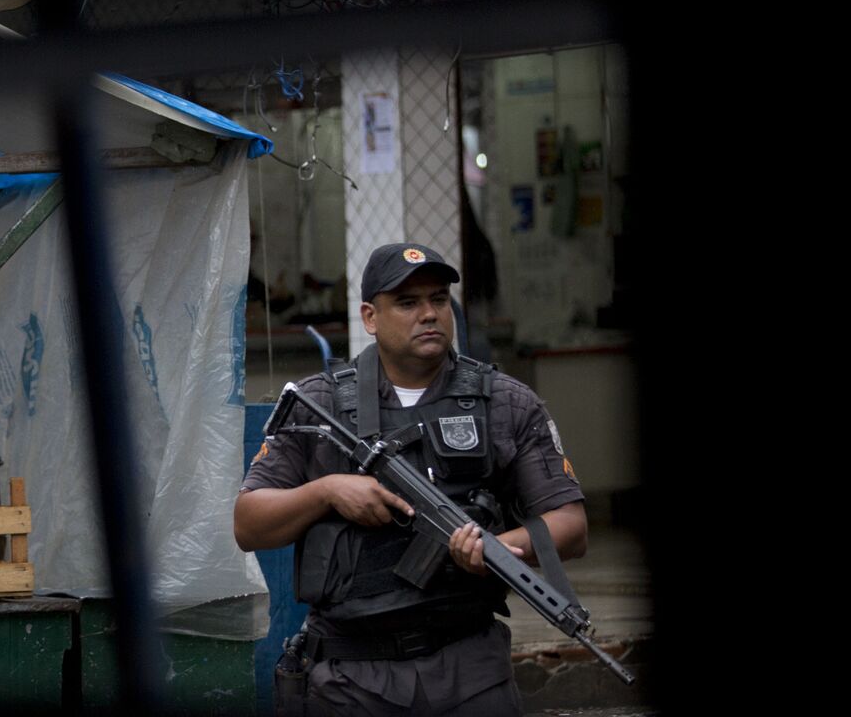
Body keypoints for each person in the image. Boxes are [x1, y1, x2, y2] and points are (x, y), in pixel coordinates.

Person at [234, 242, 588, 716]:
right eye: (407, 302)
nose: (429, 314)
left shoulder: (506, 402)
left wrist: (498, 550)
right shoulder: (320, 405)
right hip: (352, 676)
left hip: (470, 668)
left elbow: (570, 524)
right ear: (370, 317)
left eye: (439, 299)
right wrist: (326, 492)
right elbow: (248, 524)